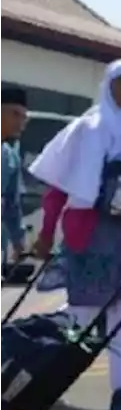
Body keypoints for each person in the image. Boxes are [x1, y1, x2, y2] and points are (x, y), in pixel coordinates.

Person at [29, 60, 121, 392]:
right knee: (78, 323)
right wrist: (46, 234)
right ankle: (32, 387)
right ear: (108, 85)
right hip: (90, 237)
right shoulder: (86, 129)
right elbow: (58, 187)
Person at [0, 86, 29, 280]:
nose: (21, 122)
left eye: (24, 117)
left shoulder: (9, 157)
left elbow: (12, 204)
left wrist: (19, 243)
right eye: (15, 114)